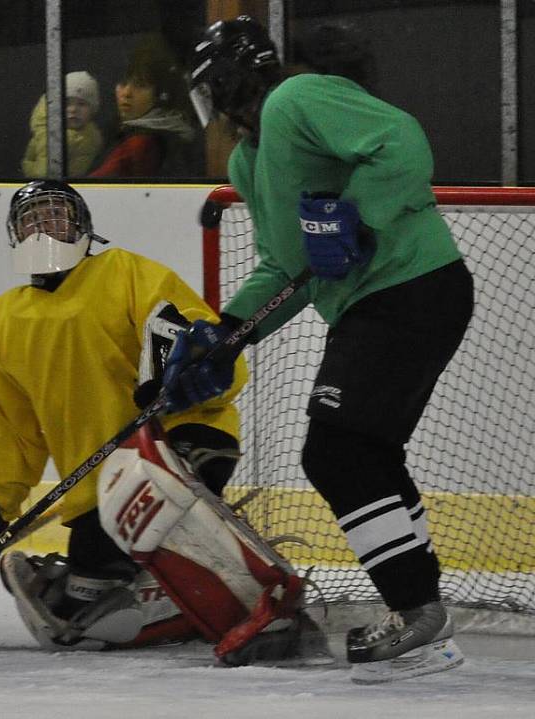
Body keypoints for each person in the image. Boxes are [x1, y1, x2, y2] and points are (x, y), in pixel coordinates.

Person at [166, 16, 473, 683]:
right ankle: (423, 606)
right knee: (364, 450)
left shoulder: (296, 99)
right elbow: (285, 267)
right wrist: (227, 333)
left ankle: (416, 608)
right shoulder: (251, 161)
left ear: (224, 82)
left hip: (411, 287)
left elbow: (402, 141)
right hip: (381, 302)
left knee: (335, 449)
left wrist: (359, 212)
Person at [0, 179, 328, 662]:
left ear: (83, 228)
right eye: (30, 220)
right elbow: (2, 434)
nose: (42, 228)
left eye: (55, 216)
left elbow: (187, 333)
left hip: (179, 443)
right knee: (82, 607)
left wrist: (171, 377)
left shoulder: (125, 271)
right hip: (97, 491)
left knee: (111, 575)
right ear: (13, 236)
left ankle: (249, 596)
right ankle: (148, 593)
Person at [90, 36, 198, 178]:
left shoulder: (141, 143)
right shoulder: (118, 131)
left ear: (160, 96)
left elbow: (94, 186)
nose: (127, 93)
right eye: (123, 83)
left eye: (140, 85)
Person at [21, 71, 103, 178]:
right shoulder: (45, 133)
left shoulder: (93, 138)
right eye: (66, 103)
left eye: (81, 104)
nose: (73, 109)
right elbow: (43, 173)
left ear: (93, 110)